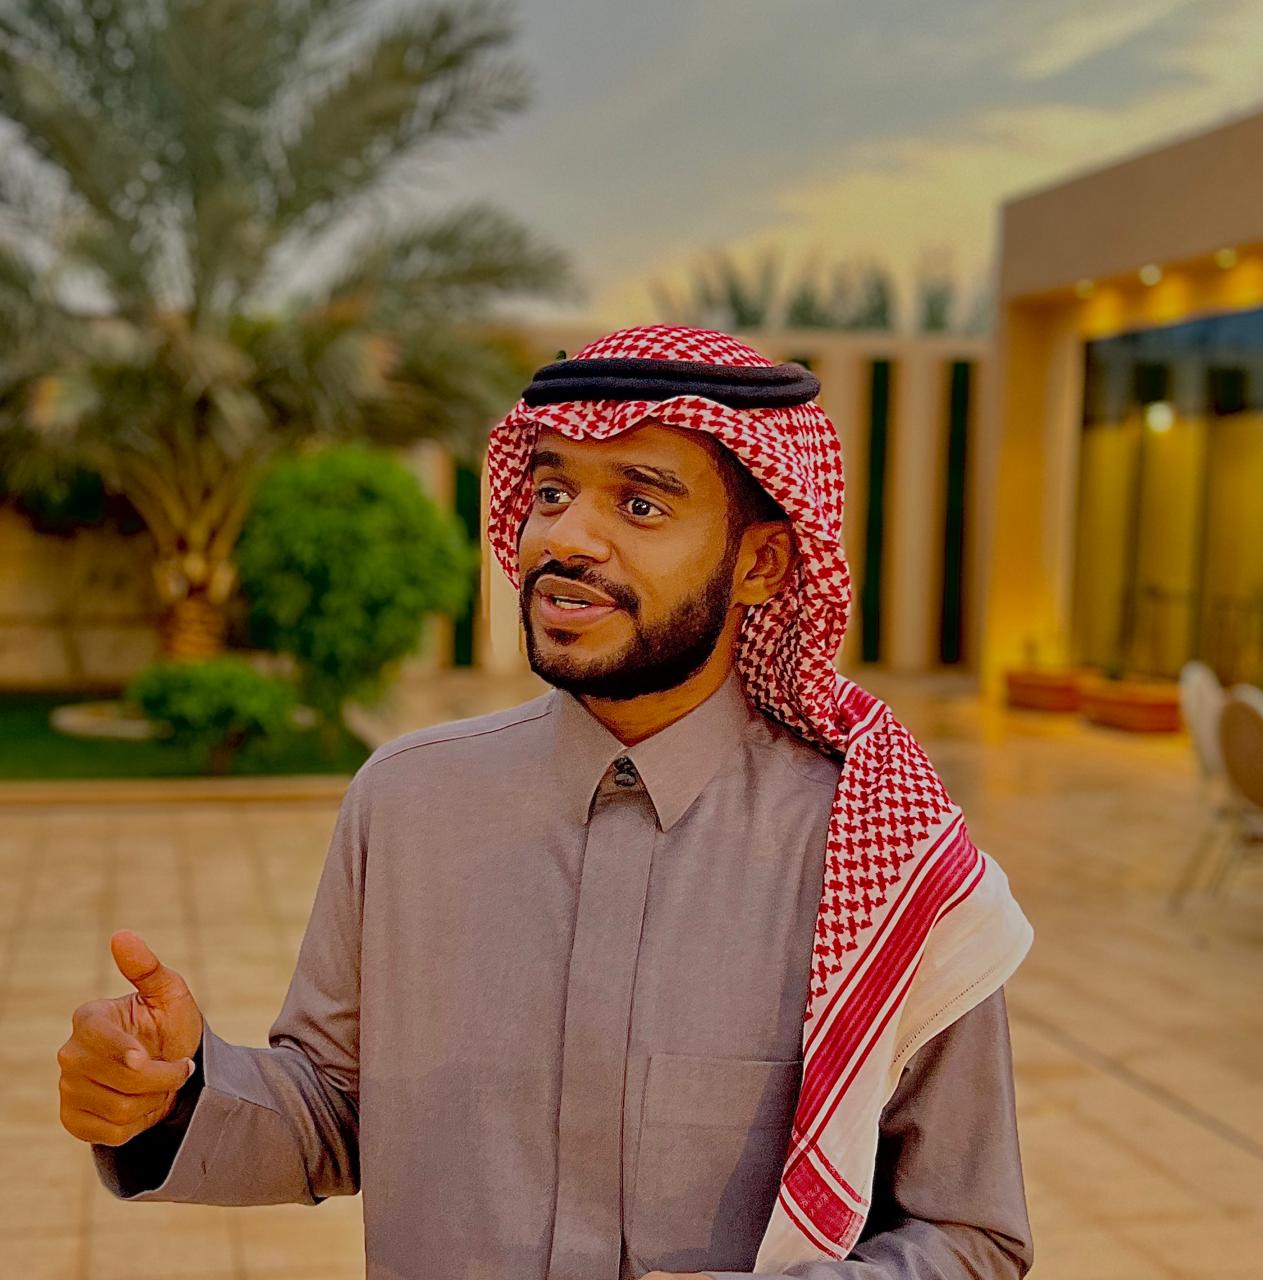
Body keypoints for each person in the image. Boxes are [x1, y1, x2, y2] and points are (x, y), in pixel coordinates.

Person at [58, 325, 1034, 1280]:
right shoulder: (407, 800)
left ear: (762, 564)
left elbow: (970, 1234)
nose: (563, 537)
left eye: (640, 505)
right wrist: (172, 1096)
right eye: (553, 492)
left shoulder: (881, 860)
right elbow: (336, 1109)